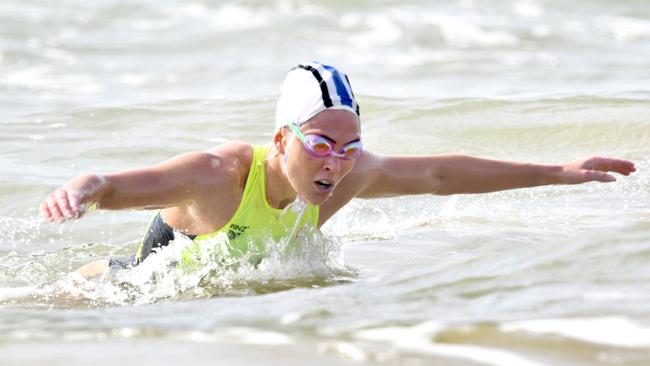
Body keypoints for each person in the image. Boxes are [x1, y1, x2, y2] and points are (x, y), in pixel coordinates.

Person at [39, 62, 636, 277]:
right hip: (144, 284)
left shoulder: (349, 175)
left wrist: (559, 171)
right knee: (111, 282)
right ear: (282, 138)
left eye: (351, 146)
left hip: (239, 287)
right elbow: (114, 186)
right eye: (322, 144)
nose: (337, 162)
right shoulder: (218, 173)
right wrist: (81, 189)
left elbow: (440, 176)